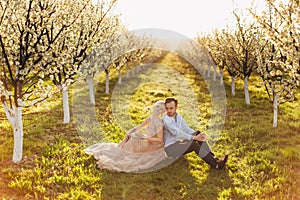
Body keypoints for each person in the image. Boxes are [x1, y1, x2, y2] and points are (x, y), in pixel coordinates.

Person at [85, 100, 167, 173]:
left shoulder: (159, 123)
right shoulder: (150, 118)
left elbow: (160, 140)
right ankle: (119, 154)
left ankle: (120, 156)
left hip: (153, 145)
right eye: (157, 106)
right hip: (147, 140)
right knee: (132, 136)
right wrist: (130, 132)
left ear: (162, 112)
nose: (158, 109)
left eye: (161, 109)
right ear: (154, 106)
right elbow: (139, 127)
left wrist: (145, 138)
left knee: (135, 139)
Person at [163, 97, 228, 170]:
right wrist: (194, 138)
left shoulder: (178, 117)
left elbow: (186, 129)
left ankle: (214, 159)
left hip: (178, 143)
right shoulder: (166, 119)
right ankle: (216, 165)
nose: (169, 110)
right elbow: (177, 133)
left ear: (176, 107)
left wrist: (199, 136)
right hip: (171, 149)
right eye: (167, 108)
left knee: (197, 133)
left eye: (171, 108)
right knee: (193, 145)